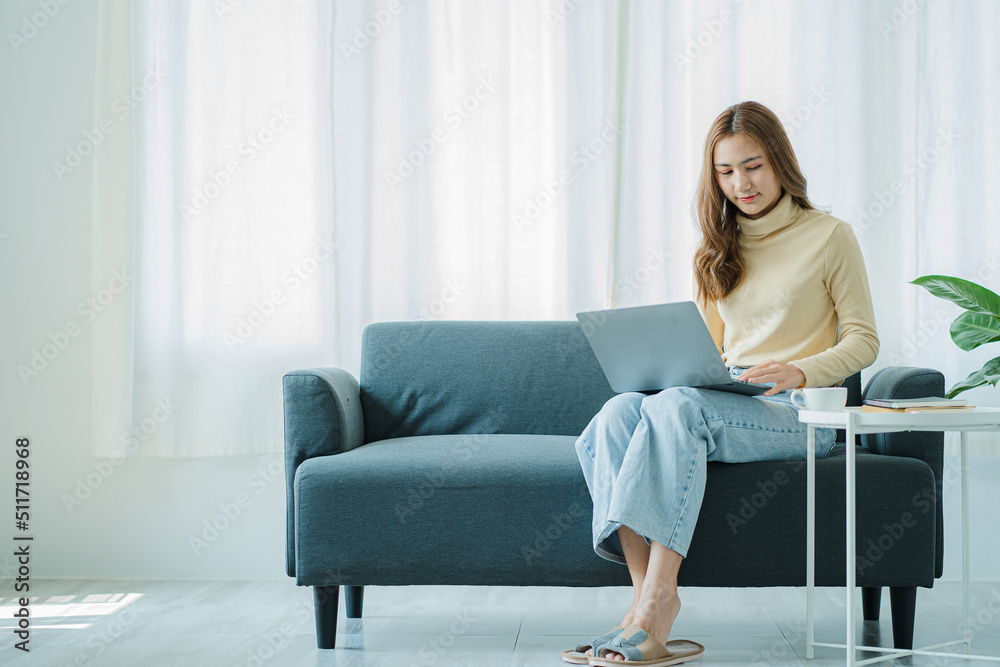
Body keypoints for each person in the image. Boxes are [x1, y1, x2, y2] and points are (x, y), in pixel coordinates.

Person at [562, 101, 879, 666]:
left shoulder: (830, 237)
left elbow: (864, 339)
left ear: (780, 161)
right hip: (729, 400)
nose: (741, 183)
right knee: (616, 414)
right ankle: (642, 604)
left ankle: (658, 606)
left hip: (799, 410)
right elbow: (704, 353)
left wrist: (799, 369)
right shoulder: (715, 248)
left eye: (753, 166)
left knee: (679, 408)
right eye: (726, 172)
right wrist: (670, 371)